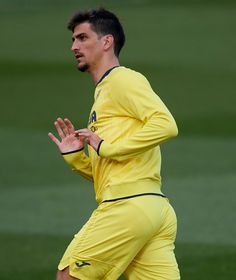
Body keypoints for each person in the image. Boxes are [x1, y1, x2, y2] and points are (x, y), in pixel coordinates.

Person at [48, 8, 180, 280]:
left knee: (68, 276)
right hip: (152, 208)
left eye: (82, 38)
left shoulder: (123, 80)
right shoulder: (104, 92)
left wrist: (107, 147)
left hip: (127, 207)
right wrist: (76, 157)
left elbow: (166, 124)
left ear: (107, 42)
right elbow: (110, 172)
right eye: (73, 40)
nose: (74, 46)